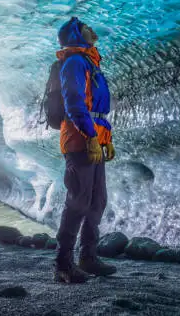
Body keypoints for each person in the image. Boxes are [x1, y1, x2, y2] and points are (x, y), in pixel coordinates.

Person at [54, 16, 117, 283]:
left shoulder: (89, 61)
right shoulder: (75, 62)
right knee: (78, 201)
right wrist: (91, 137)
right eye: (86, 27)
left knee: (97, 201)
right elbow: (74, 104)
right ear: (76, 36)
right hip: (80, 139)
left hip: (93, 137)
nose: (92, 29)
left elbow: (96, 108)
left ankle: (88, 257)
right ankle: (62, 264)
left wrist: (106, 138)